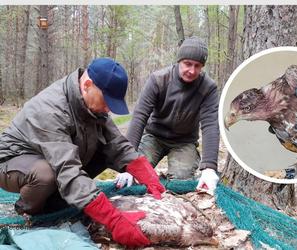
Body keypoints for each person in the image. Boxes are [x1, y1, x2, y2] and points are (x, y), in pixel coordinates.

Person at [0, 58, 165, 247]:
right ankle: (31, 211)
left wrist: (145, 173)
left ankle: (57, 200)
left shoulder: (92, 104)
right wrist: (114, 220)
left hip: (51, 156)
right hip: (12, 162)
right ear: (87, 85)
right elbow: (68, 170)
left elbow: (116, 144)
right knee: (46, 175)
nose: (108, 108)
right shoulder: (50, 110)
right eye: (107, 101)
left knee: (103, 151)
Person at [115, 37, 220, 195]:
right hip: (154, 137)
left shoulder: (208, 88)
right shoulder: (158, 79)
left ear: (202, 67)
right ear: (179, 61)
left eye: (197, 66)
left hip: (184, 142)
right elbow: (139, 116)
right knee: (136, 174)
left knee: (181, 182)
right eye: (187, 64)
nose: (191, 70)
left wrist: (210, 167)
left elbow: (210, 124)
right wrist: (126, 162)